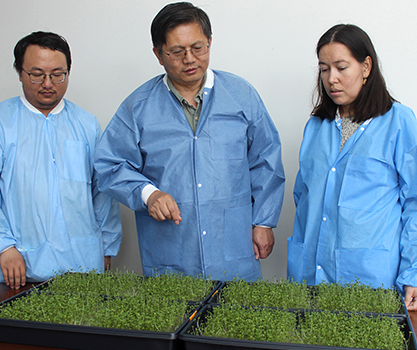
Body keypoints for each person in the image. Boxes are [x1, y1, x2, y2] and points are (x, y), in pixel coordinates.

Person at [94, 2, 285, 281]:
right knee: (174, 322)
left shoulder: (241, 95)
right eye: (176, 52)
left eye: (198, 48)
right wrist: (149, 194)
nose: (190, 59)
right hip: (170, 251)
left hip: (234, 247)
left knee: (236, 319)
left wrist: (264, 221)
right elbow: (108, 165)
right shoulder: (138, 107)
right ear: (158, 54)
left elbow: (266, 160)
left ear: (209, 41)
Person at [288, 24, 417, 311]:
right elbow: (304, 199)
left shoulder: (398, 122)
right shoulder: (316, 127)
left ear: (366, 66)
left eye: (341, 67)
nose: (331, 79)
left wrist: (415, 274)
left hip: (369, 277)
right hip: (309, 275)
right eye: (323, 69)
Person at [0, 31, 122, 289]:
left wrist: (106, 247)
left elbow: (102, 194)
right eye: (37, 75)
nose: (48, 83)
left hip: (82, 266)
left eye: (58, 74)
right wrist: (3, 248)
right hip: (18, 270)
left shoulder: (86, 125)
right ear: (20, 72)